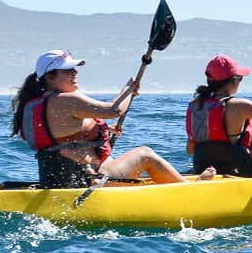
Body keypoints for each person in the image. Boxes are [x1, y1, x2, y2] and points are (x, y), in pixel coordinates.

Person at [10, 50, 189, 188]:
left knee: (113, 160)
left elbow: (64, 134)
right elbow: (114, 109)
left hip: (58, 179)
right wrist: (129, 88)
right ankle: (187, 192)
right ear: (49, 77)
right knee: (145, 154)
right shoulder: (66, 99)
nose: (74, 73)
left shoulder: (36, 103)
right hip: (87, 180)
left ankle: (176, 183)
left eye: (74, 69)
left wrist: (101, 129)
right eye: (67, 70)